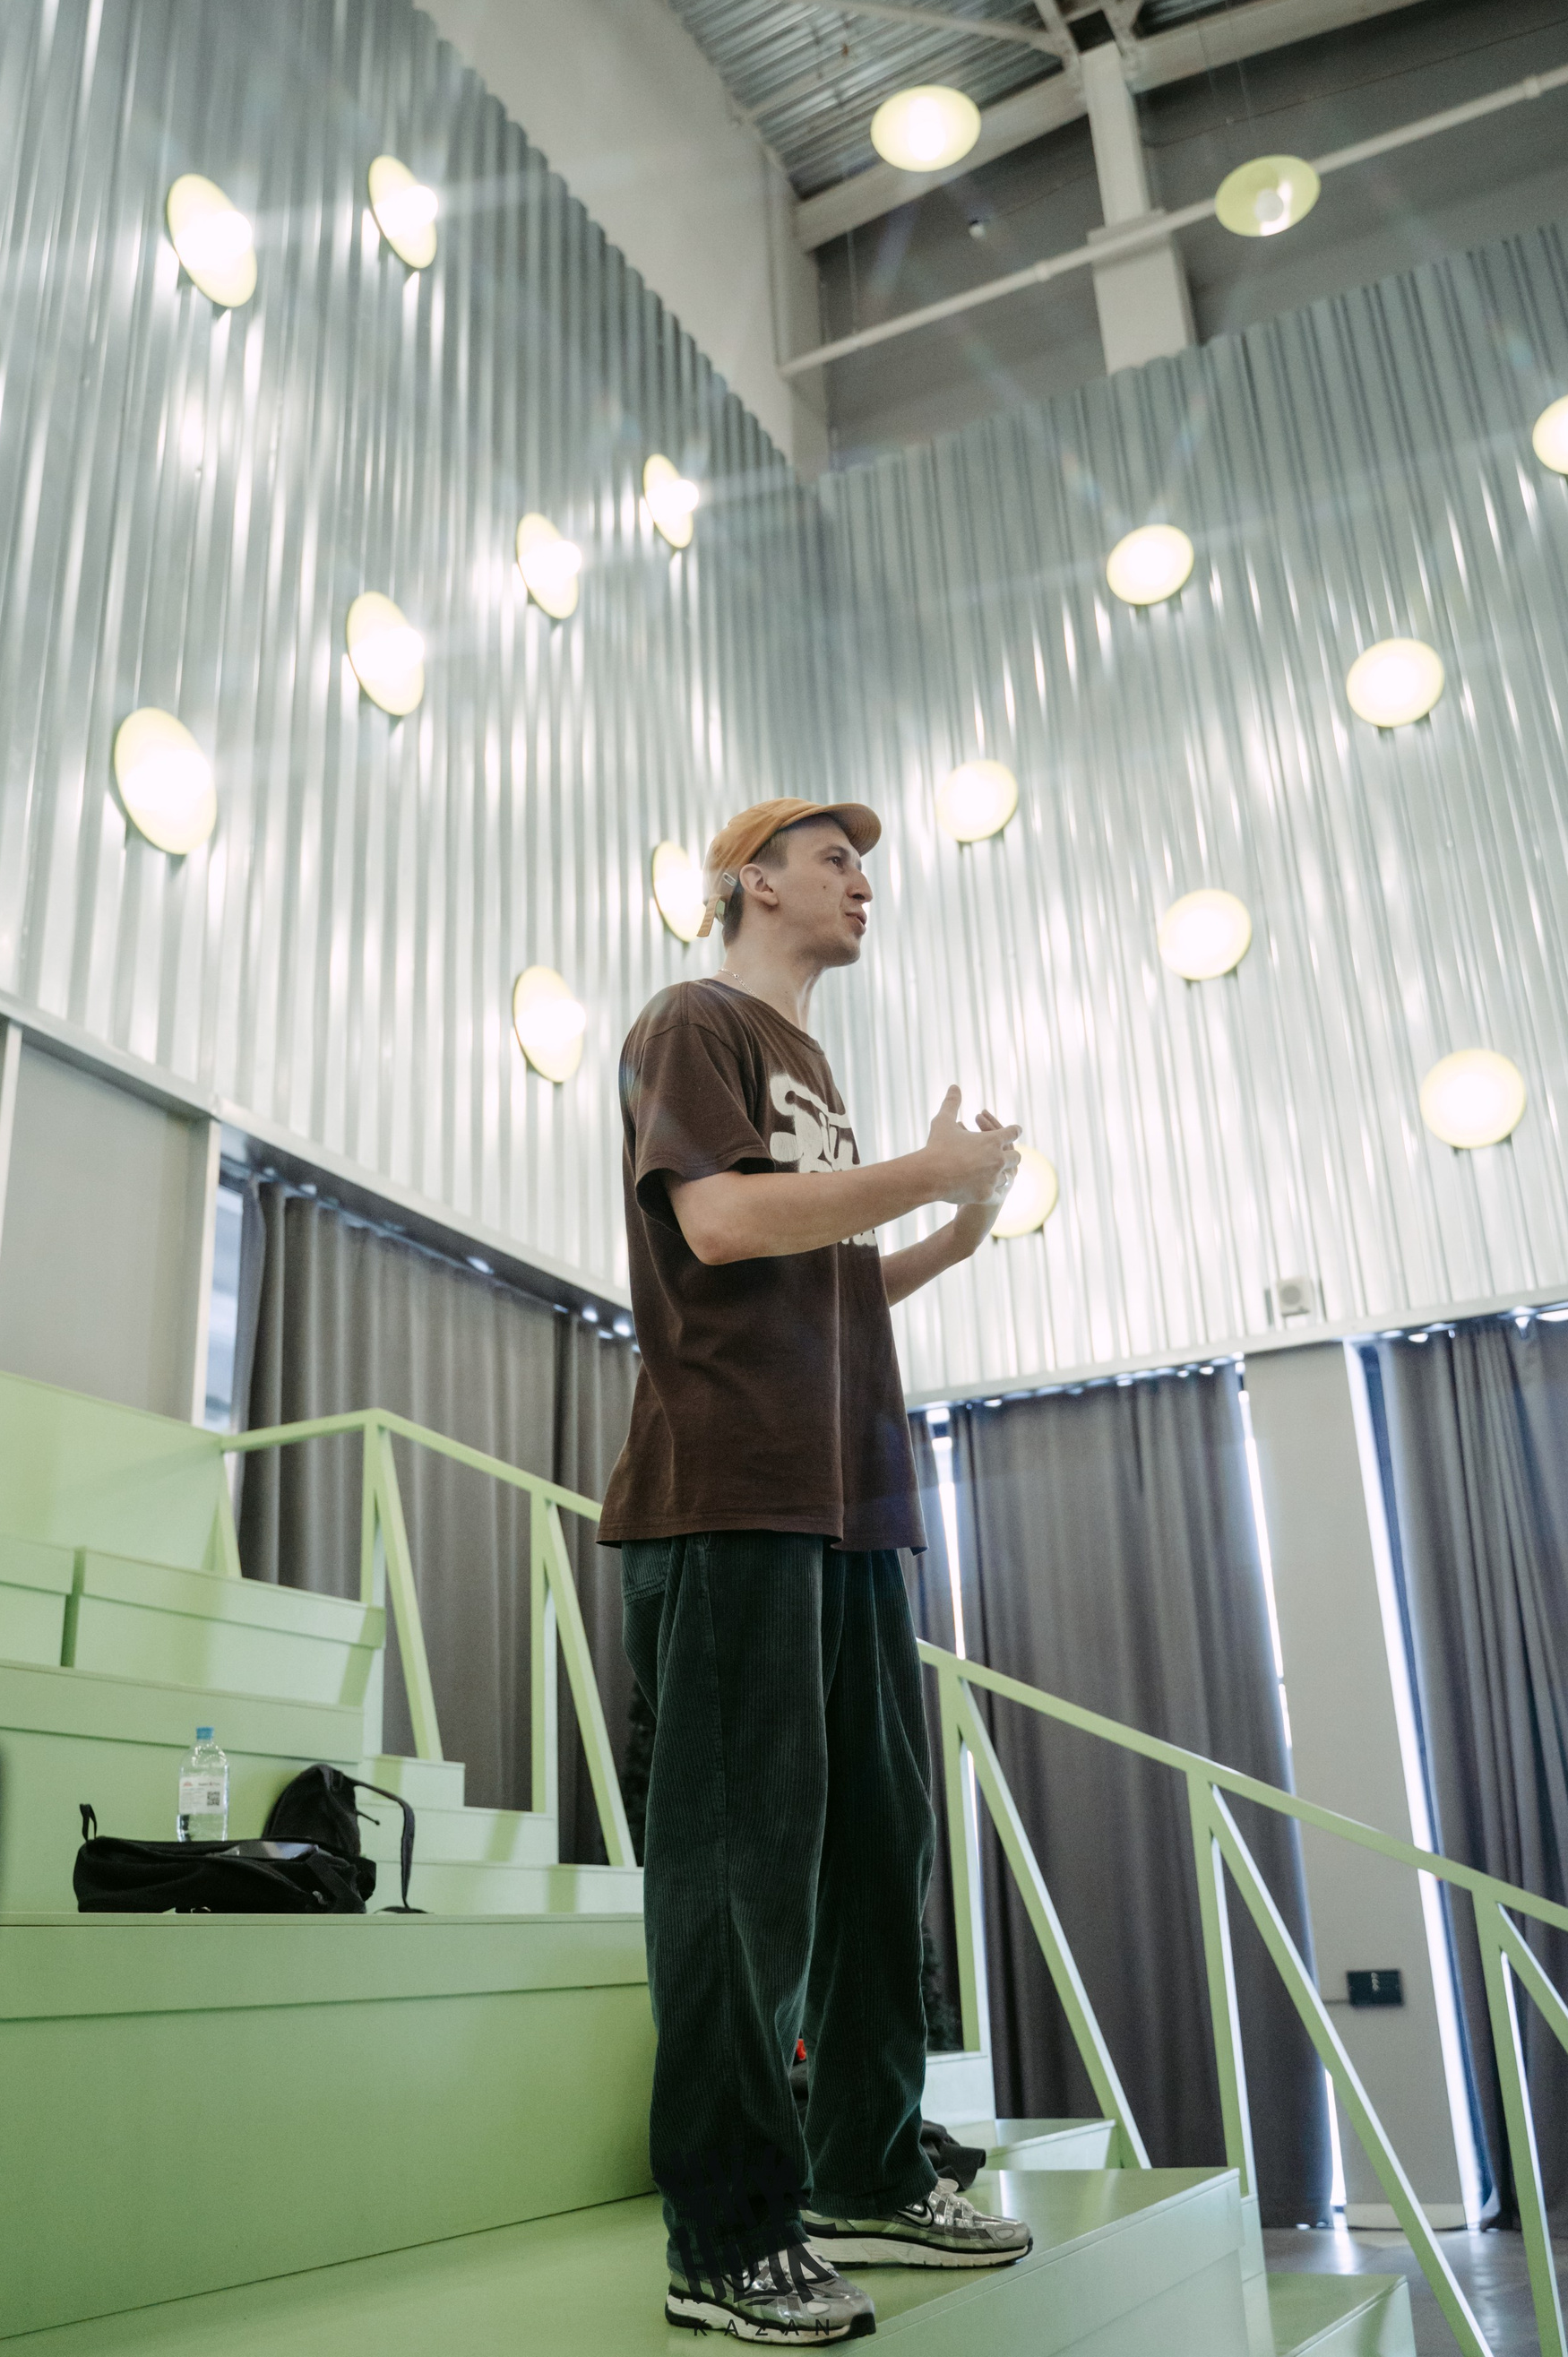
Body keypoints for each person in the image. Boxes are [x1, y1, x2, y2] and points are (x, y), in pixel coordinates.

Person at [598, 796, 1033, 2345]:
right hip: (729, 1499)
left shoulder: (818, 1074)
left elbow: (829, 1284)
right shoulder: (693, 1021)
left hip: (848, 1504)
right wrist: (922, 1169)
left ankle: (866, 2163)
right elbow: (720, 1225)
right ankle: (726, 2235)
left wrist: (957, 1226)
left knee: (873, 1848)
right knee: (740, 1870)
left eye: (864, 863)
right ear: (750, 882)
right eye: (833, 857)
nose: (862, 881)